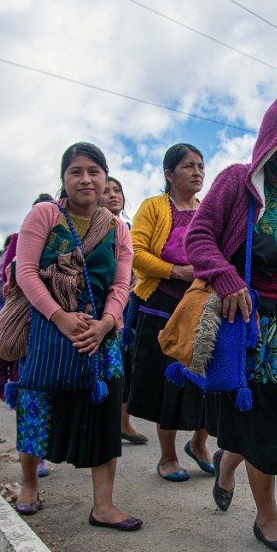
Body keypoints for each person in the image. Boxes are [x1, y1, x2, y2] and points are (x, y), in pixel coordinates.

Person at [185, 97, 277, 552]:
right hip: (250, 321)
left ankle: (228, 465)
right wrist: (227, 277)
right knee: (266, 419)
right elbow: (199, 237)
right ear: (271, 144)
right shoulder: (237, 181)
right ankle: (267, 518)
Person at [11, 141, 140, 530]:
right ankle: (29, 483)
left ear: (105, 179)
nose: (85, 179)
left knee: (103, 413)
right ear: (64, 179)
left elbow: (122, 284)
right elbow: (26, 272)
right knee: (37, 405)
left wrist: (105, 324)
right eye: (75, 172)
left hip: (101, 336)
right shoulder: (44, 214)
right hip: (48, 331)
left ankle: (103, 505)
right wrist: (59, 317)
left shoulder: (118, 228)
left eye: (94, 171)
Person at [127, 144, 214, 480]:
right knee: (167, 383)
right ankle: (167, 457)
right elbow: (136, 252)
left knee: (208, 378)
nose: (197, 172)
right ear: (169, 174)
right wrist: (177, 271)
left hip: (202, 306)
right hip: (161, 305)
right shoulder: (154, 207)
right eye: (188, 166)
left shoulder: (208, 210)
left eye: (201, 166)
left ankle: (199, 443)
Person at [101, 176, 147, 445]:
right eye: (106, 191)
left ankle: (122, 423)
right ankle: (100, 424)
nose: (112, 195)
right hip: (102, 307)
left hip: (131, 307)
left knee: (126, 367)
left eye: (117, 190)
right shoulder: (88, 229)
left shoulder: (129, 229)